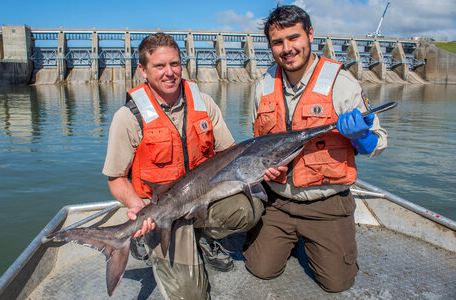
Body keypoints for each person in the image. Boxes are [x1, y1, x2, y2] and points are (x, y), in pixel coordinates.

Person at [102, 33, 263, 300]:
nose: (170, 73)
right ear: (142, 70)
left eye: (175, 64)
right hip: (161, 211)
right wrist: (137, 206)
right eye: (159, 66)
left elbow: (229, 153)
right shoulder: (128, 117)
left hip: (201, 198)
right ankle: (142, 241)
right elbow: (116, 178)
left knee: (251, 207)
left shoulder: (204, 104)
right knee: (193, 296)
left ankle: (204, 237)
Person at [243, 5, 388, 293]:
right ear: (270, 45)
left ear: (310, 35)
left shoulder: (342, 83)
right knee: (261, 269)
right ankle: (286, 238)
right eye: (277, 42)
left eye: (294, 38)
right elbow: (255, 141)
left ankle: (317, 240)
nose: (287, 48)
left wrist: (360, 137)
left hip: (327, 204)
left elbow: (378, 143)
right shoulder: (263, 85)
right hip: (278, 201)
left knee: (337, 284)